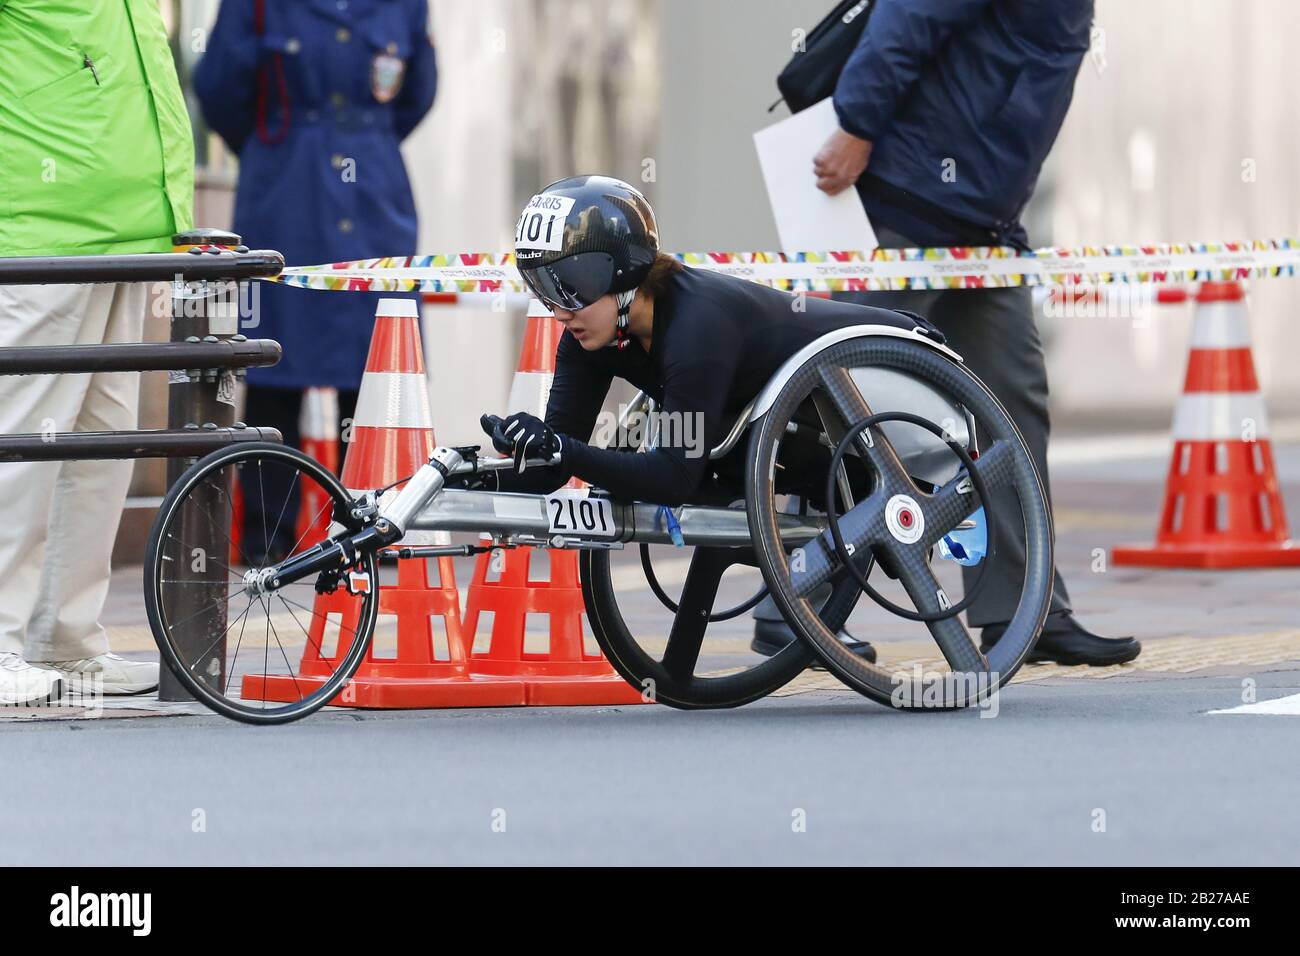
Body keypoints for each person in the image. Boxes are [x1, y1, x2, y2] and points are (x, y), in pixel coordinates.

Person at [470, 175, 968, 662]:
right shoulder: (590, 336)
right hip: (807, 428)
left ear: (623, 275)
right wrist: (464, 475)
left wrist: (564, 450)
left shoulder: (696, 326)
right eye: (543, 288)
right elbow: (554, 470)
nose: (559, 310)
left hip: (904, 393)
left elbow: (672, 477)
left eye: (571, 287)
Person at [808, 0, 1140, 666]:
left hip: (984, 220)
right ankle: (796, 606)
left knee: (1013, 403)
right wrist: (857, 125)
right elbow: (908, 17)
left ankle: (1021, 608)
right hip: (909, 198)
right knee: (844, 404)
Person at [0, 0, 194, 703]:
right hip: (41, 226)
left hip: (125, 224)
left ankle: (65, 639)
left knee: (101, 446)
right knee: (21, 445)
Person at [194, 0, 437, 562]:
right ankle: (268, 540)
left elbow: (417, 90)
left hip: (374, 193)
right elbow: (220, 87)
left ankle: (372, 528)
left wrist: (357, 133)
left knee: (377, 371)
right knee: (276, 369)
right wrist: (284, 142)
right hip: (286, 190)